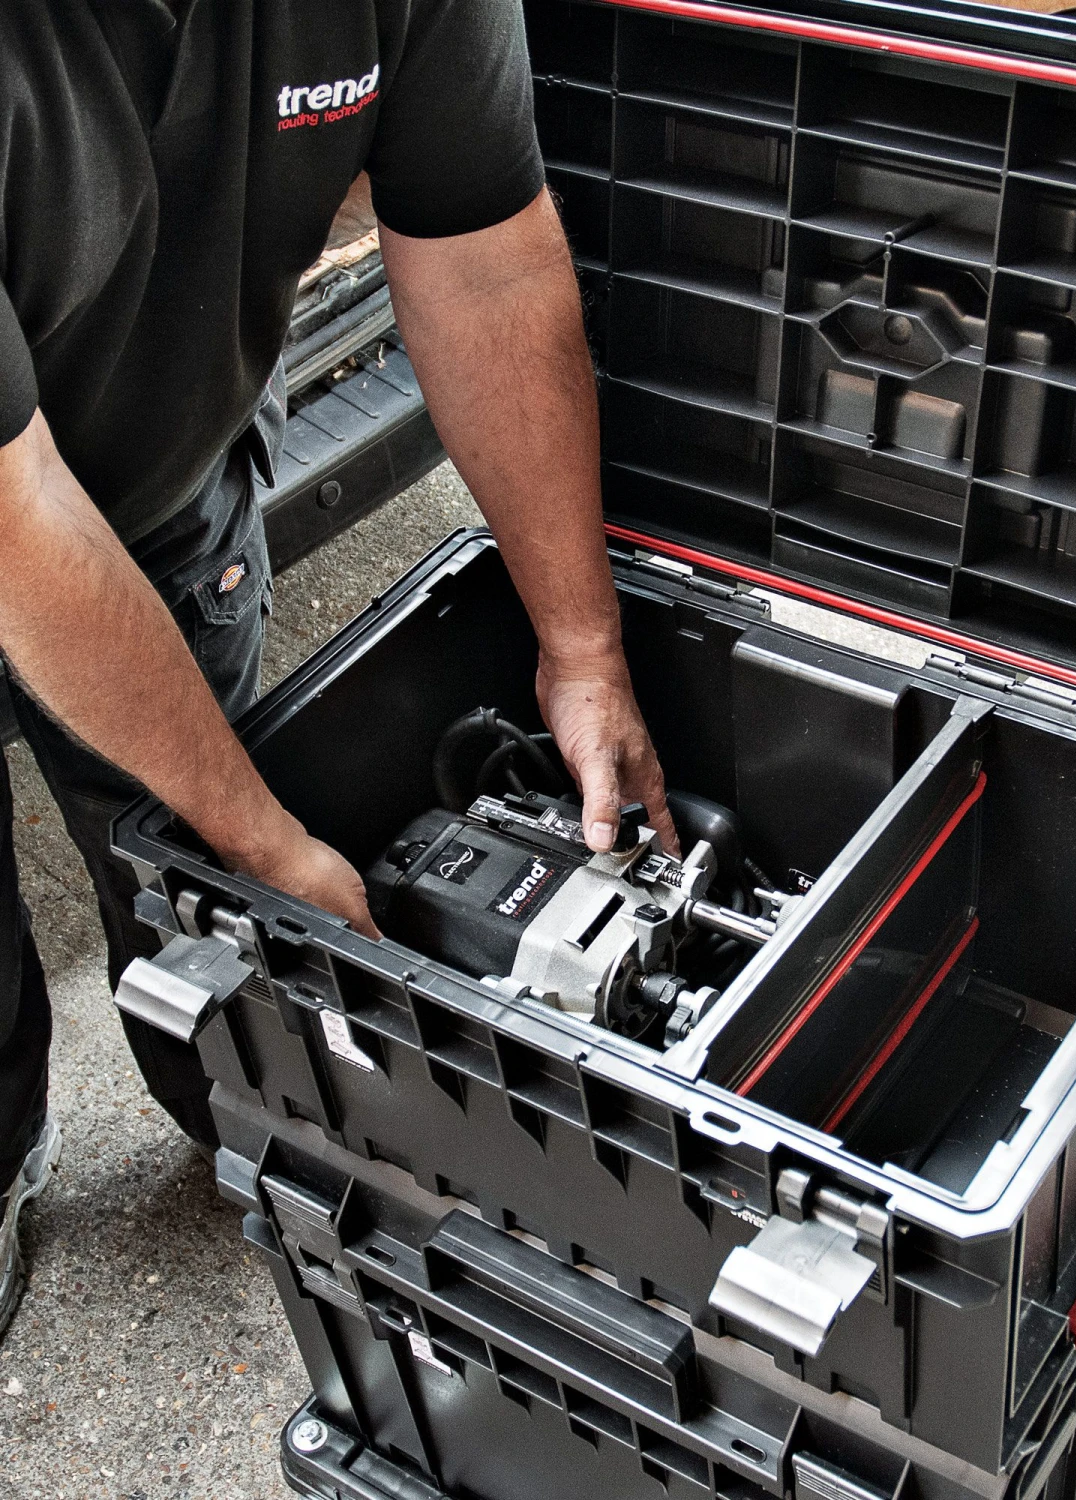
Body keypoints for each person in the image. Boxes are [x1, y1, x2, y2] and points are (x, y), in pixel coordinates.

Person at [0, 0, 675, 1340]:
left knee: (197, 922)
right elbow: (13, 517)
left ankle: (256, 1133)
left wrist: (583, 645)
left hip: (160, 488)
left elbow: (485, 266)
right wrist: (260, 841)